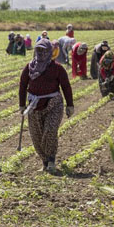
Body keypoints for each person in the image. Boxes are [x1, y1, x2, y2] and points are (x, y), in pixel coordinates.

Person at [19, 40, 74, 173]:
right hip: (34, 106)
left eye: (44, 50)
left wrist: (70, 105)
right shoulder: (29, 67)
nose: (41, 53)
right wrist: (21, 105)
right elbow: (22, 85)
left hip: (53, 104)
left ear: (49, 51)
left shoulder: (57, 68)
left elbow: (66, 86)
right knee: (37, 135)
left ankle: (51, 160)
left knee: (50, 130)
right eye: (39, 50)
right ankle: (44, 162)